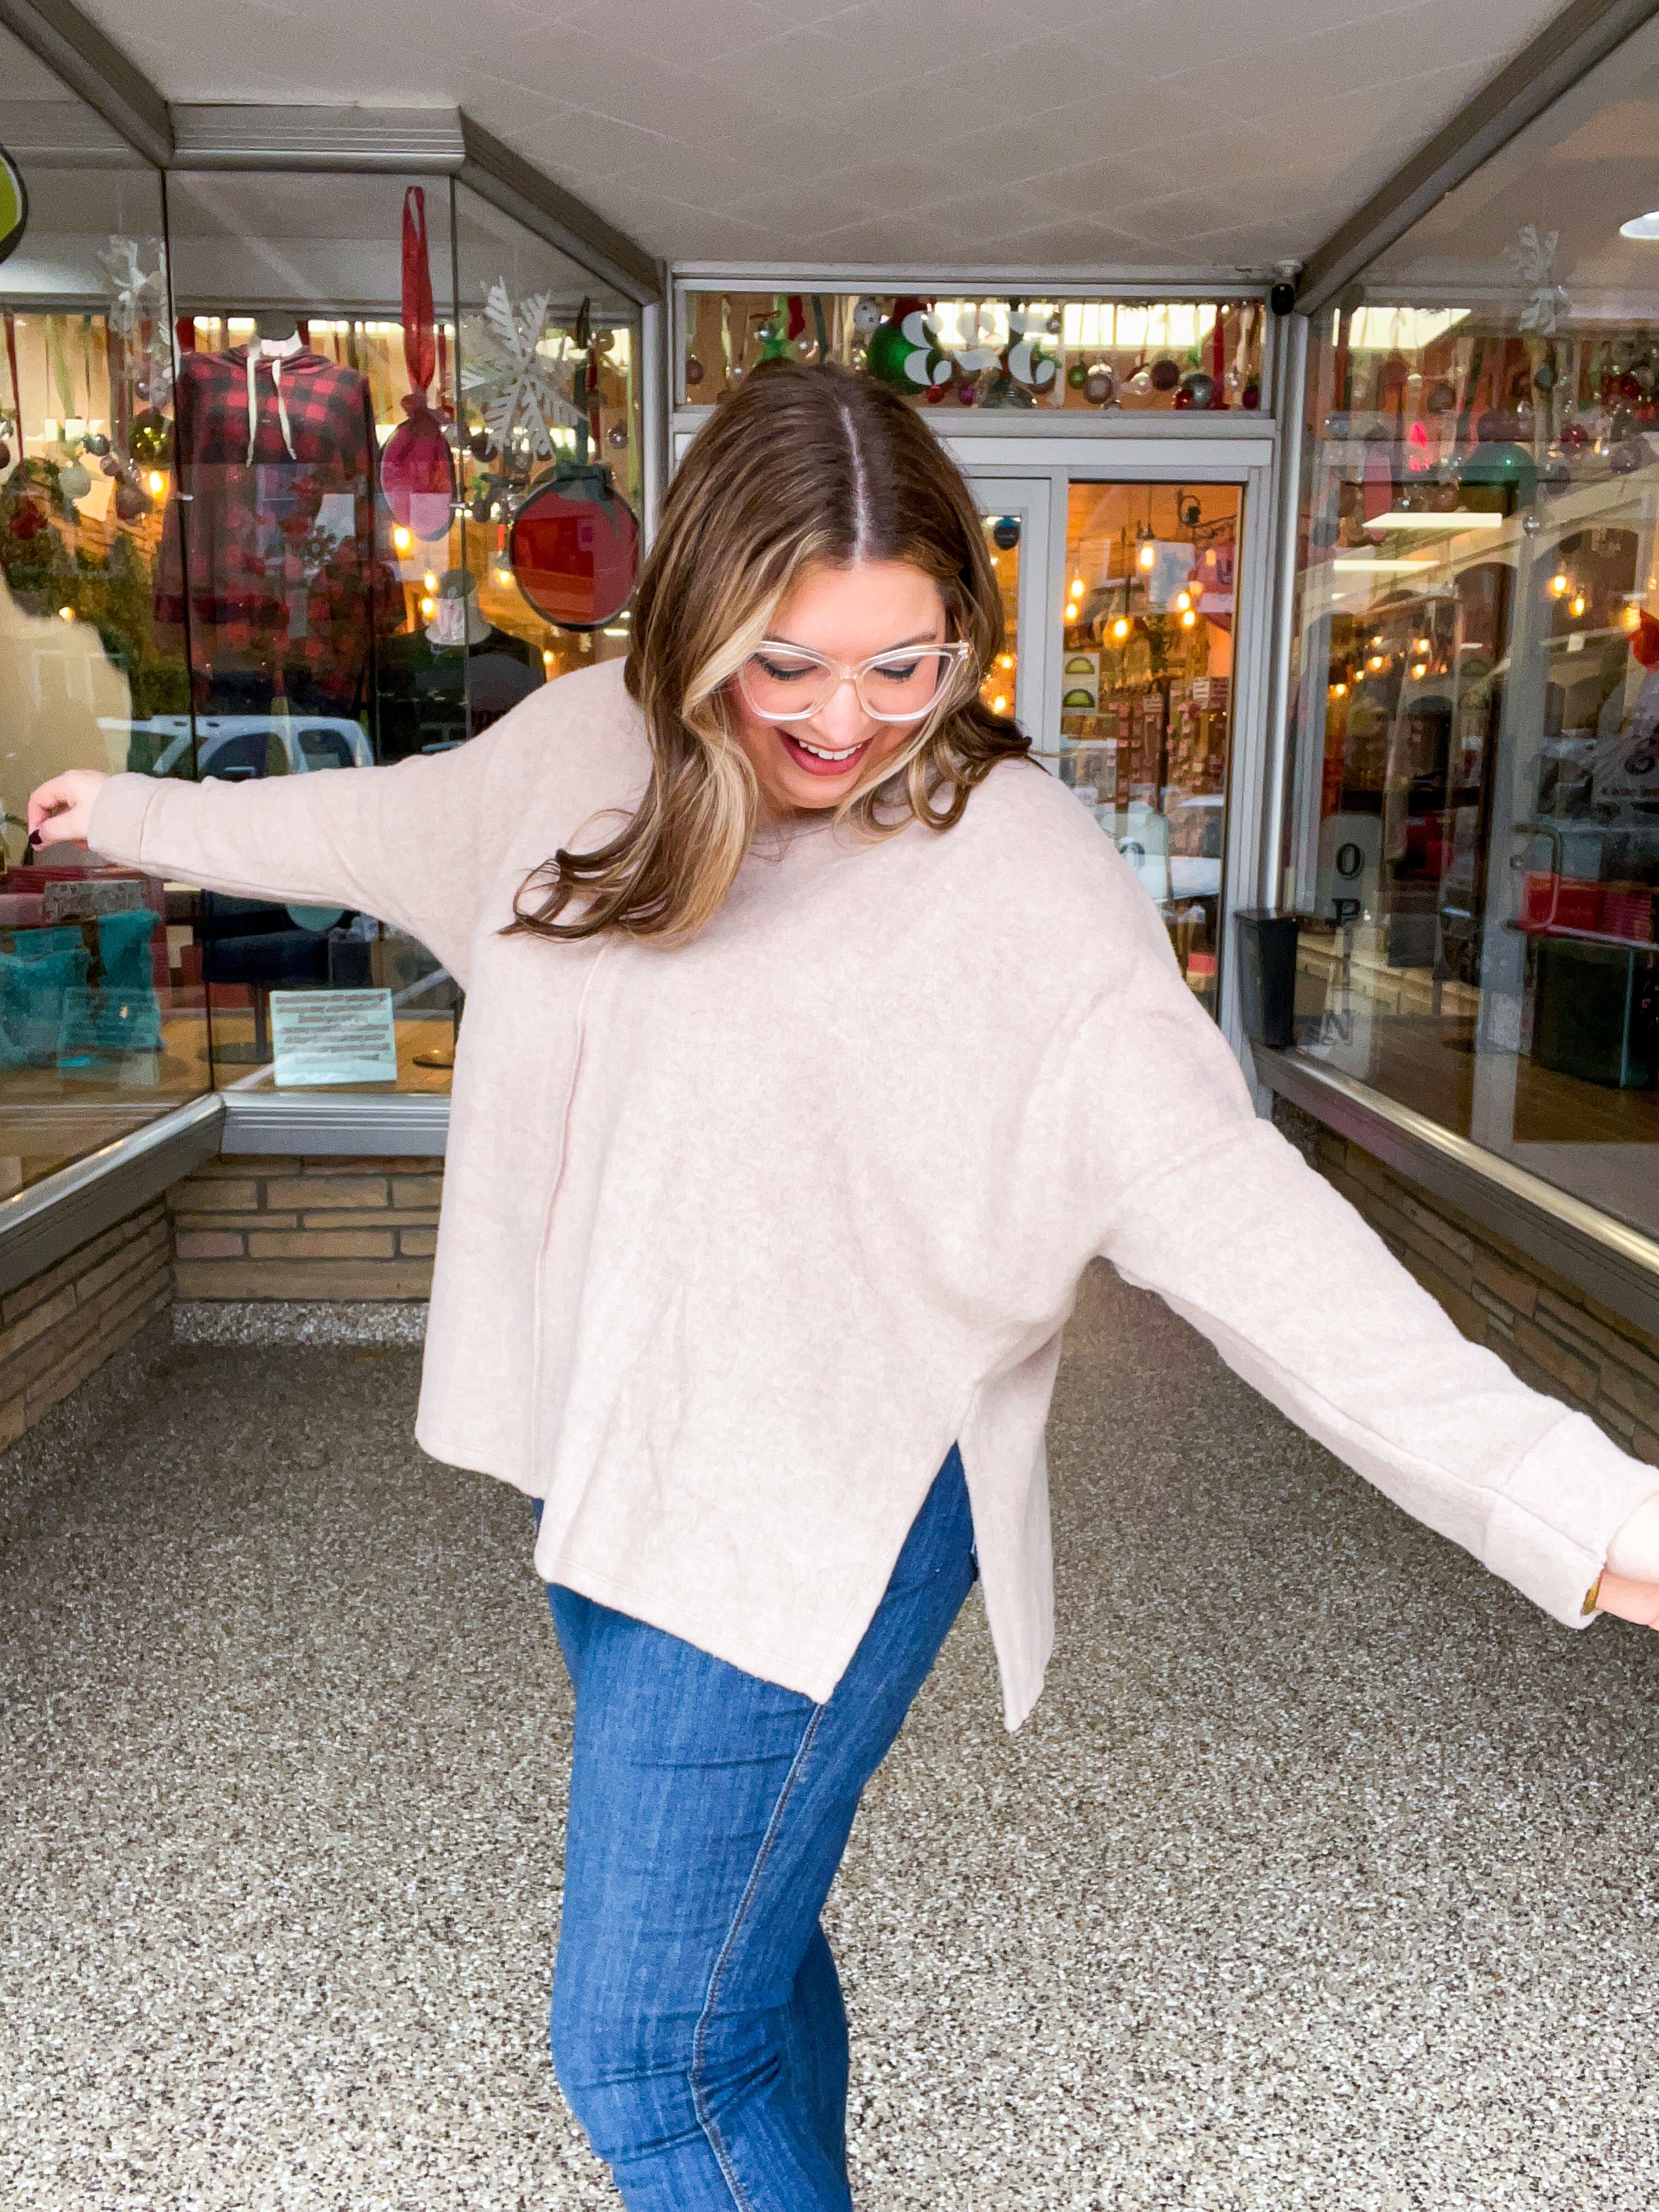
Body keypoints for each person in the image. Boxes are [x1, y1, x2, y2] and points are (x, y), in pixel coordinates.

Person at [29, 360, 1659, 2212]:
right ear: (695, 619)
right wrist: (134, 814)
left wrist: (1589, 1516)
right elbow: (363, 826)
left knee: (643, 2049)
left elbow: (1243, 1211)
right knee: (747, 1949)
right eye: (786, 663)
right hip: (622, 1457)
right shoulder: (584, 755)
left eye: (906, 663)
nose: (846, 721)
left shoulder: (1021, 878)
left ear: (965, 622)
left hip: (836, 1503)